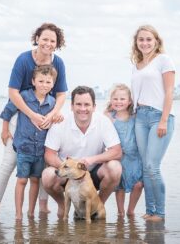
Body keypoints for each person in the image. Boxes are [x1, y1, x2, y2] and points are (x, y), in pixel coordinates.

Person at [0, 22, 67, 218]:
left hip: (45, 116)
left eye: (52, 40)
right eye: (45, 39)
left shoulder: (58, 63)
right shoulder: (23, 60)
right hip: (21, 115)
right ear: (37, 39)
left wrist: (52, 115)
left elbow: (61, 94)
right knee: (9, 163)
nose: (48, 43)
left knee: (43, 165)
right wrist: (26, 117)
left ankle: (41, 208)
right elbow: (13, 93)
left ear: (57, 43)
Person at [41, 86, 123, 218]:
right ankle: (63, 206)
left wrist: (92, 159)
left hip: (94, 173)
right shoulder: (60, 123)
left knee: (115, 168)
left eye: (87, 104)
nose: (83, 109)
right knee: (47, 176)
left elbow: (117, 151)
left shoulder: (103, 121)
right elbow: (49, 154)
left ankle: (97, 206)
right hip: (67, 175)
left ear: (94, 107)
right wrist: (69, 168)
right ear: (71, 106)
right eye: (78, 104)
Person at [130, 25, 176, 221]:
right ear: (136, 42)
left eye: (149, 39)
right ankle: (150, 211)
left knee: (152, 166)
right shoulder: (136, 65)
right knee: (144, 166)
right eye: (141, 39)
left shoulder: (164, 60)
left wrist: (164, 120)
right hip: (139, 117)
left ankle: (161, 213)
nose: (145, 43)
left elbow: (169, 92)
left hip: (159, 116)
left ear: (156, 41)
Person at [13, 64, 57, 220]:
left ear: (53, 84)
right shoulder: (24, 97)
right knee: (22, 180)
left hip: (40, 151)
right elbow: (8, 110)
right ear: (33, 81)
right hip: (24, 147)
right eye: (41, 81)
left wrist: (58, 118)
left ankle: (31, 213)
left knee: (35, 181)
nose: (44, 85)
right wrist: (5, 129)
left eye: (48, 82)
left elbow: (55, 121)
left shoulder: (52, 102)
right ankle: (18, 214)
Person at [104, 84, 143, 218]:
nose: (118, 102)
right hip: (119, 157)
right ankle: (120, 212)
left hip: (134, 157)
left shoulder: (134, 116)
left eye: (122, 99)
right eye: (115, 99)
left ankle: (131, 210)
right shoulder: (109, 117)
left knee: (138, 184)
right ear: (111, 100)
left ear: (129, 101)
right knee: (119, 186)